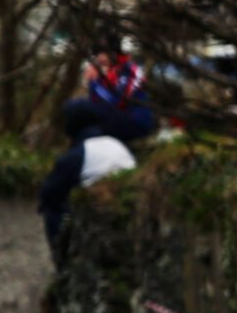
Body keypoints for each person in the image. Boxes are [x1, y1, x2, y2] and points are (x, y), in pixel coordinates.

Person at [39, 47, 158, 257]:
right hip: (132, 218)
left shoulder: (79, 155)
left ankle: (62, 262)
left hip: (104, 229)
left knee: (55, 211)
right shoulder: (117, 145)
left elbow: (50, 193)